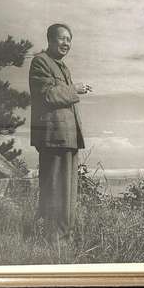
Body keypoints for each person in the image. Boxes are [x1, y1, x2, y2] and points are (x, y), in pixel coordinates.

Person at [29, 23, 92, 241]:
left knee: (68, 192)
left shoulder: (63, 67)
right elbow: (47, 95)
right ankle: (53, 238)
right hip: (53, 137)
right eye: (62, 38)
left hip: (68, 137)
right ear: (50, 40)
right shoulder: (40, 62)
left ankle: (65, 236)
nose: (66, 43)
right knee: (55, 188)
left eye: (69, 39)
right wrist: (75, 89)